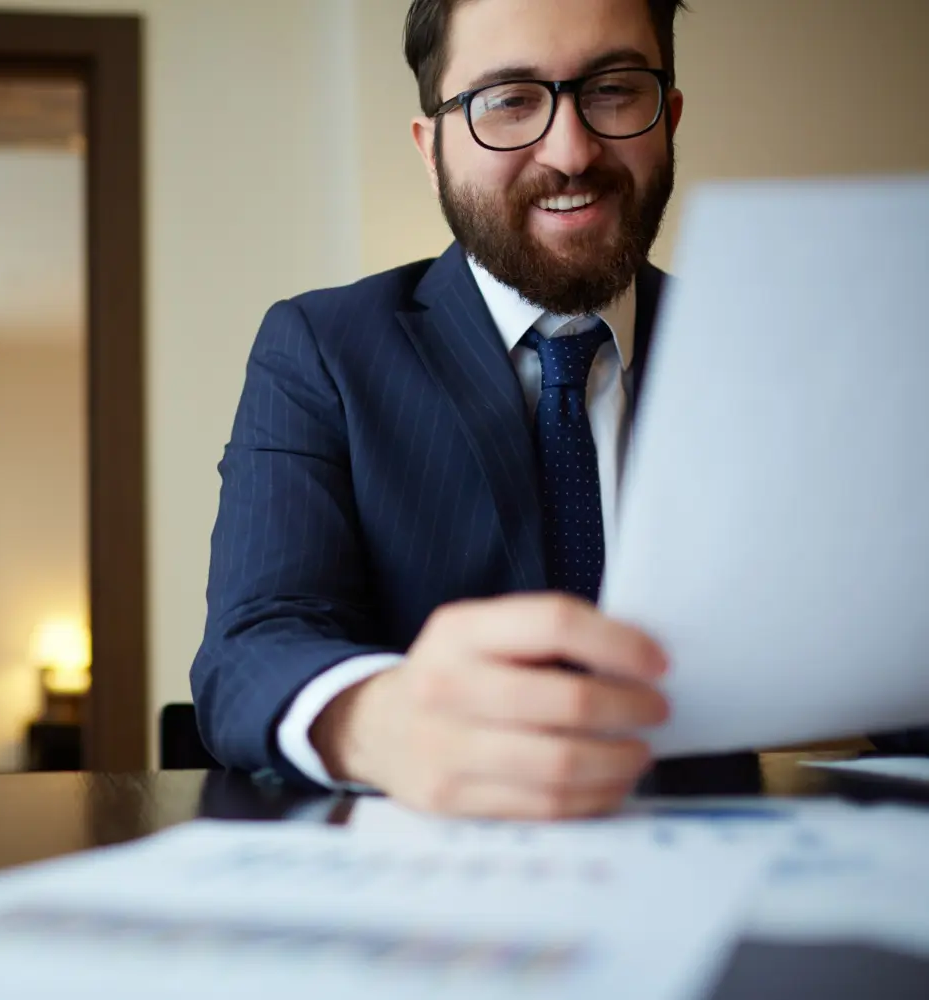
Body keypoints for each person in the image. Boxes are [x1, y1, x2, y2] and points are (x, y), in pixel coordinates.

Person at [191, 0, 926, 818]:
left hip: (727, 866)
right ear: (431, 147)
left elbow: (891, 645)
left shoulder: (773, 353)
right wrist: (379, 720)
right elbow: (250, 646)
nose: (572, 152)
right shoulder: (320, 349)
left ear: (669, 117)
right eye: (509, 100)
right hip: (439, 884)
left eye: (613, 90)